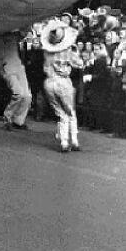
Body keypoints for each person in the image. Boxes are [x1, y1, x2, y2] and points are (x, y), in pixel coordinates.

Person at [40, 19, 84, 152]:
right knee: (70, 111)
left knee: (60, 113)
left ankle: (64, 141)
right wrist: (76, 53)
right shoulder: (68, 51)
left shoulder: (47, 52)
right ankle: (74, 140)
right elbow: (79, 64)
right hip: (63, 82)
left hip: (49, 82)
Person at [0, 31, 32, 131]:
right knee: (18, 93)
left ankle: (18, 121)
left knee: (27, 96)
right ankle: (7, 118)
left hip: (19, 67)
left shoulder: (13, 35)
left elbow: (25, 32)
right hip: (7, 67)